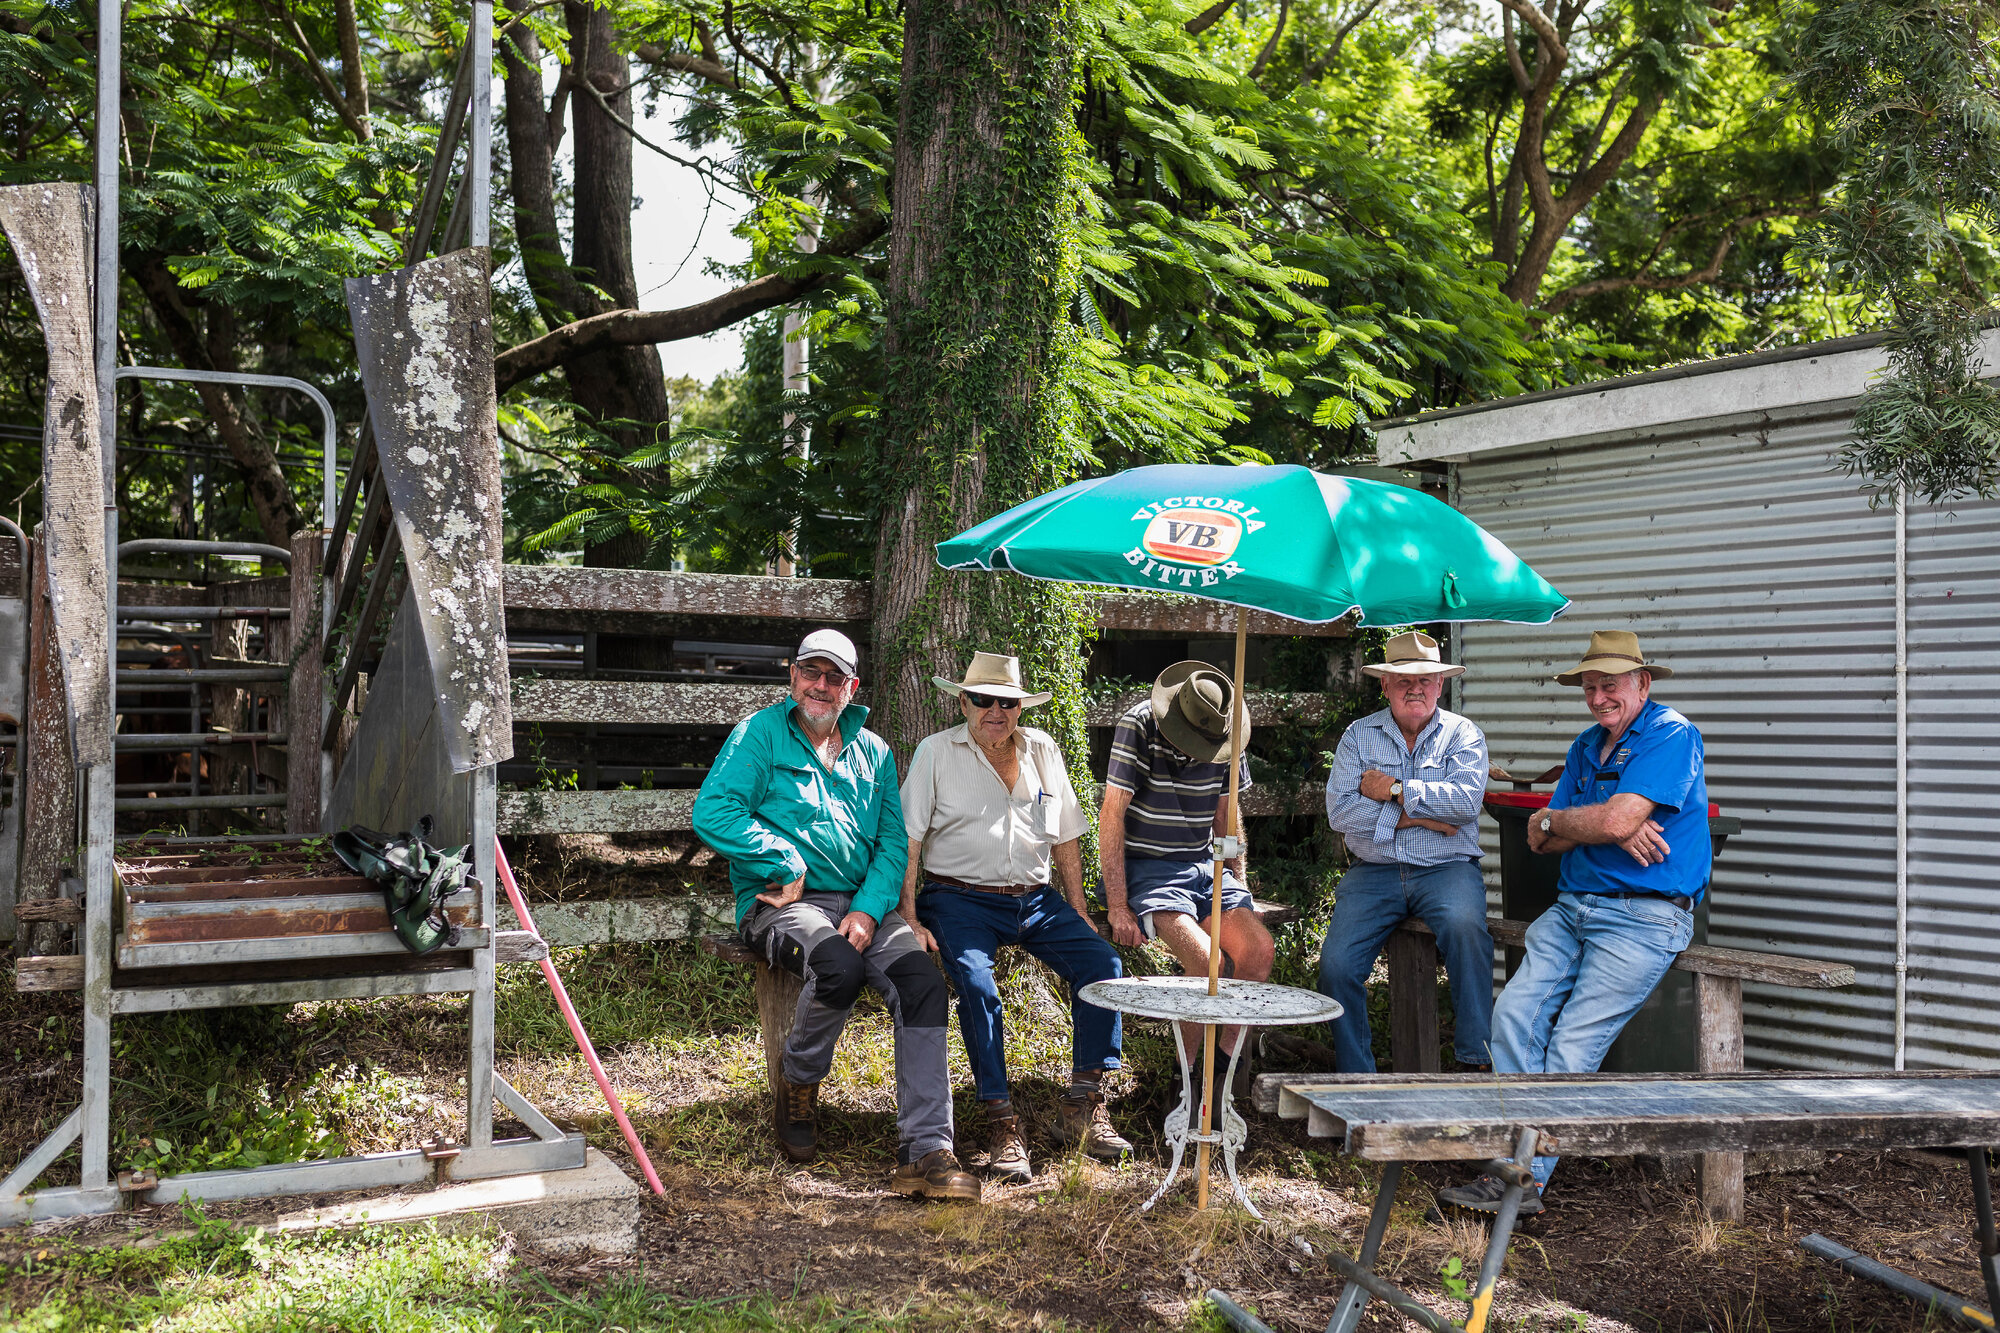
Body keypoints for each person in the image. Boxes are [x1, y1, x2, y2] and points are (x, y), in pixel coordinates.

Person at [692, 627, 978, 1202]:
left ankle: (925, 1150)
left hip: (862, 906)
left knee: (922, 984)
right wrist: (782, 856)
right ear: (792, 676)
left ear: (852, 687)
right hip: (783, 905)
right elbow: (713, 810)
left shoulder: (874, 752)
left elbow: (893, 844)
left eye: (833, 677)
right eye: (810, 672)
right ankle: (797, 1085)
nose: (819, 686)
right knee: (839, 969)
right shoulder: (760, 734)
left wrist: (871, 912)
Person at [1438, 630, 1708, 1215]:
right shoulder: (1588, 745)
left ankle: (1519, 1181)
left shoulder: (1672, 734)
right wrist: (1578, 821)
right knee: (1510, 1016)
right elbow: (1542, 841)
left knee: (1571, 1048)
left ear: (1642, 683)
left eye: (1609, 685)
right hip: (1573, 908)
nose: (1598, 698)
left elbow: (1596, 824)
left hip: (1644, 917)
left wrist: (1580, 820)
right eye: (1589, 687)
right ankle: (1515, 1169)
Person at [900, 653, 1133, 1184]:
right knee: (978, 987)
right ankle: (1001, 1121)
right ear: (964, 702)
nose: (995, 711)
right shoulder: (936, 752)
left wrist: (1075, 904)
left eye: (1007, 702)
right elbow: (910, 837)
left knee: (1103, 965)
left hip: (1035, 898)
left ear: (1020, 706)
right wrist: (909, 915)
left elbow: (1067, 832)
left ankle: (1082, 1105)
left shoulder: (1043, 749)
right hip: (958, 898)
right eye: (982, 700)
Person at [1318, 631, 1493, 1072]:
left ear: (1440, 684)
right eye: (1403, 680)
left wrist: (1393, 789)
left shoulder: (1463, 734)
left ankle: (1476, 1060)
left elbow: (1465, 805)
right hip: (1374, 870)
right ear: (1385, 685)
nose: (1415, 688)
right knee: (1336, 967)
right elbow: (1340, 812)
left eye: (1426, 679)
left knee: (1466, 930)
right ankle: (1359, 1079)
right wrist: (1423, 816)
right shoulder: (1359, 736)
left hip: (1446, 868)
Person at [1100, 661, 1273, 1083]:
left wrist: (1237, 883)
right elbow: (1112, 815)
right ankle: (1186, 1075)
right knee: (1206, 961)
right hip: (1148, 867)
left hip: (1203, 865)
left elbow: (1226, 817)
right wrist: (1118, 904)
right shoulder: (1138, 725)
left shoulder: (1230, 735)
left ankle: (1226, 1066)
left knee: (1258, 951)